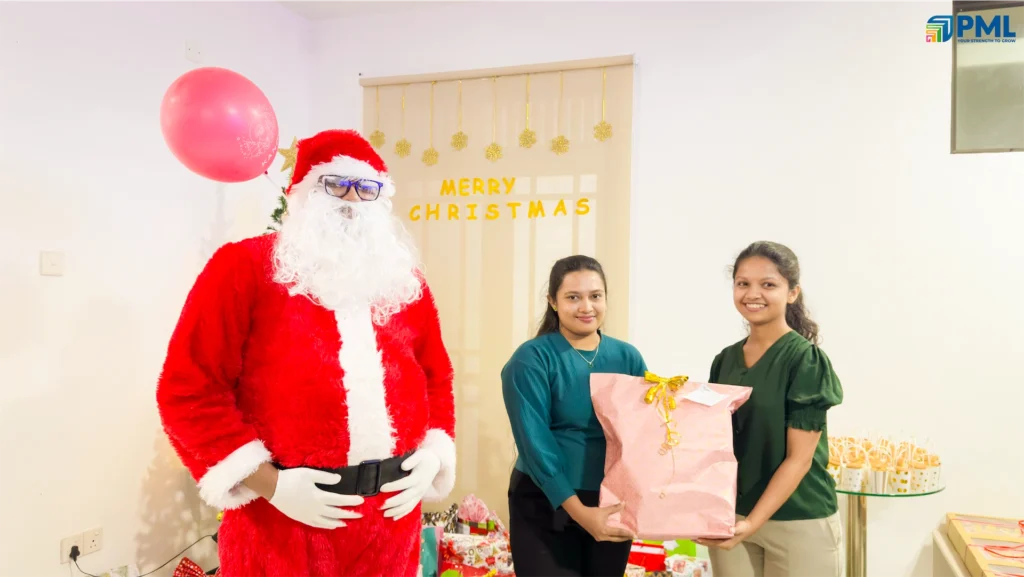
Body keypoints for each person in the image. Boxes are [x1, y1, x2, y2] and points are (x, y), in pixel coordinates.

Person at [156, 129, 457, 577]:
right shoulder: (246, 267)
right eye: (335, 184)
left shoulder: (401, 281)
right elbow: (188, 390)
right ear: (302, 193)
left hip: (392, 525)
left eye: (366, 188)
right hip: (283, 526)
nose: (351, 200)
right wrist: (272, 485)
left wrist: (434, 454)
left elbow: (436, 378)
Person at [697, 241, 844, 577]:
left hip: (799, 519)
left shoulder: (805, 360)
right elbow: (713, 443)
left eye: (768, 284)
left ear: (792, 293)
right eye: (743, 283)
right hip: (732, 516)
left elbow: (800, 458)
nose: (753, 293)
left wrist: (753, 522)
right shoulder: (725, 360)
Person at [501, 255, 646, 577]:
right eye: (573, 297)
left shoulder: (627, 357)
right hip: (545, 501)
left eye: (595, 296)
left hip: (611, 498)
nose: (586, 307)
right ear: (552, 301)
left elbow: (643, 431)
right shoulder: (531, 359)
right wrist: (580, 512)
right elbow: (534, 443)